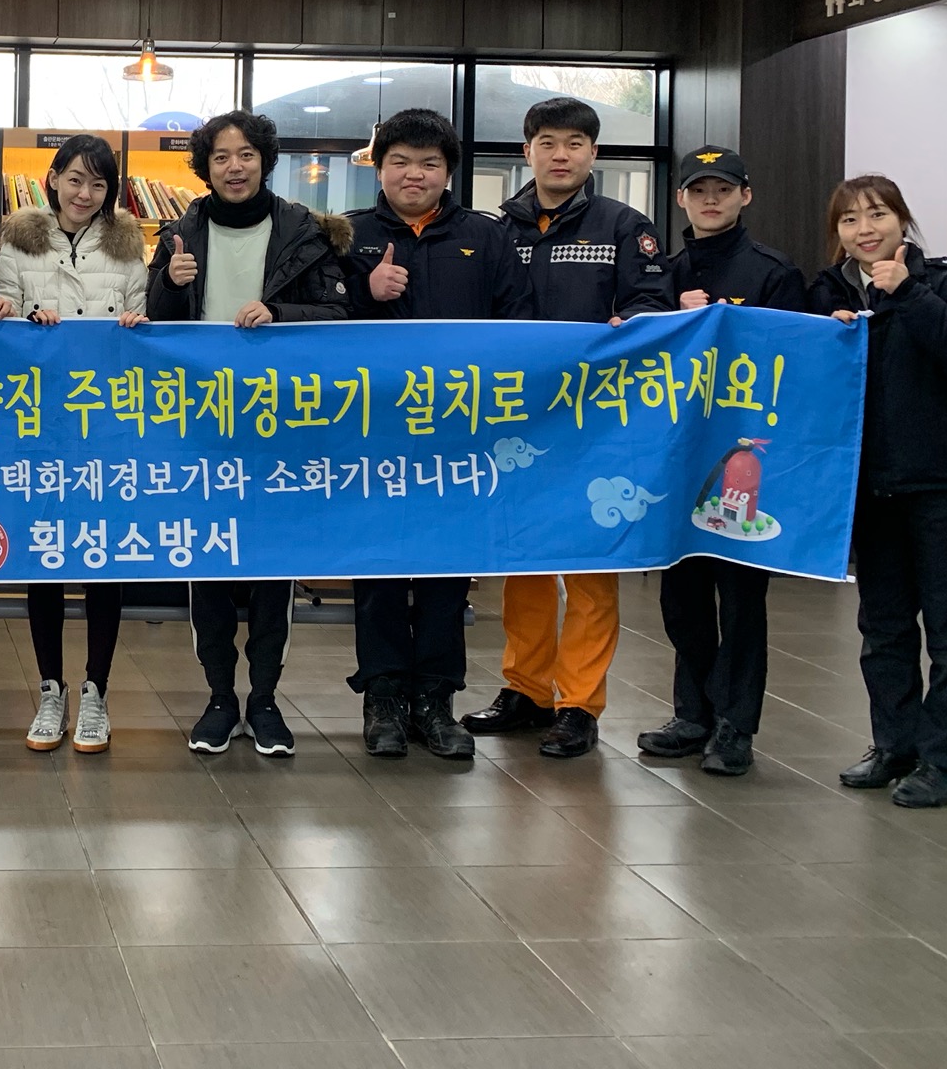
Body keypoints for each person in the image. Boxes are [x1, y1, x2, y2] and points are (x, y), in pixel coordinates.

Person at [461, 96, 672, 759]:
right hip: (516, 421)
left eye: (575, 144)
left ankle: (578, 702)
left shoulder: (624, 226)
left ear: (593, 153)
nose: (561, 155)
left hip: (594, 425)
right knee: (522, 558)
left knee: (588, 563)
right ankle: (526, 689)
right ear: (526, 151)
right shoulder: (497, 228)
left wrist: (630, 324)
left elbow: (652, 305)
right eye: (548, 143)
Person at [146, 109, 353, 756]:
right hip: (202, 425)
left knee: (272, 565)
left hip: (279, 425)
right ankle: (218, 697)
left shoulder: (303, 231)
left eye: (245, 155)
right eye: (220, 158)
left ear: (264, 160)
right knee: (207, 562)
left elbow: (339, 312)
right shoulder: (179, 234)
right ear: (204, 168)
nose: (234, 167)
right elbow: (153, 326)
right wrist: (170, 285)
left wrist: (279, 312)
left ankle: (264, 699)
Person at [344, 108, 532, 761]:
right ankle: (384, 699)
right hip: (372, 437)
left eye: (429, 163)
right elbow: (313, 322)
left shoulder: (487, 236)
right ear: (379, 168)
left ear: (448, 171)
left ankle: (436, 700)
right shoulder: (348, 235)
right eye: (399, 161)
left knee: (448, 573)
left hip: (459, 440)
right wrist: (365, 293)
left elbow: (521, 326)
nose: (413, 174)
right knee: (378, 571)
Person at [810, 175, 947, 808]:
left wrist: (909, 293)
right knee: (884, 629)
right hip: (871, 489)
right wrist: (825, 339)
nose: (865, 230)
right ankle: (894, 745)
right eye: (849, 220)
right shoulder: (829, 292)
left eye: (877, 215)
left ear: (902, 220)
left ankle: (945, 762)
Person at [636, 146, 806, 776]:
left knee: (739, 599)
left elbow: (795, 357)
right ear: (680, 197)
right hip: (679, 459)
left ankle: (735, 725)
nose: (711, 200)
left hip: (743, 461)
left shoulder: (774, 272)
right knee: (680, 594)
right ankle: (693, 714)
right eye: (699, 190)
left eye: (724, 189)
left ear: (745, 196)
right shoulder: (663, 272)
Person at [0, 134, 149, 752]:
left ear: (111, 191)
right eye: (75, 179)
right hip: (41, 426)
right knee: (47, 556)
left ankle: (96, 691)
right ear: (52, 179)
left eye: (98, 183)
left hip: (107, 426)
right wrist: (20, 321)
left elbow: (143, 330)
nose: (85, 193)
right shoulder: (17, 242)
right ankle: (51, 689)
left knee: (103, 558)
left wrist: (137, 325)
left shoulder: (129, 247)